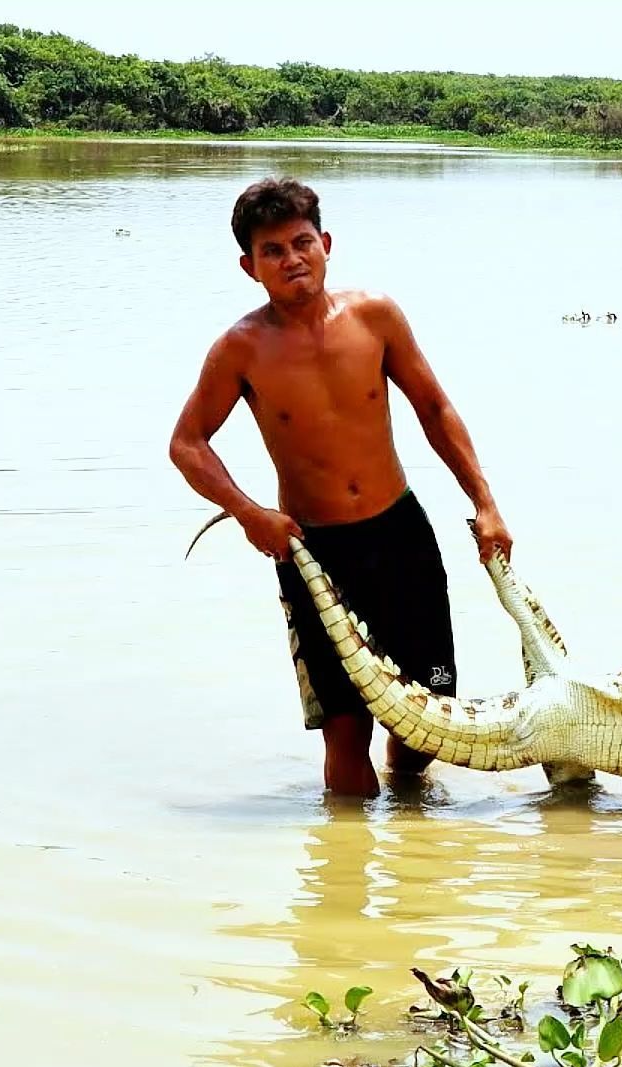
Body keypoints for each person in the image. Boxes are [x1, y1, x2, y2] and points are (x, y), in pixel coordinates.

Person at [168, 177, 513, 797]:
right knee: (344, 730)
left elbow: (435, 409)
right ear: (250, 267)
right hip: (316, 554)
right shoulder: (240, 349)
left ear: (326, 243)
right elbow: (187, 443)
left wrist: (484, 504)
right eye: (272, 251)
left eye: (302, 242)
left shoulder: (375, 316)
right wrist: (248, 512)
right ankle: (342, 876)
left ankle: (416, 843)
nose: (292, 259)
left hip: (400, 534)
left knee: (426, 722)